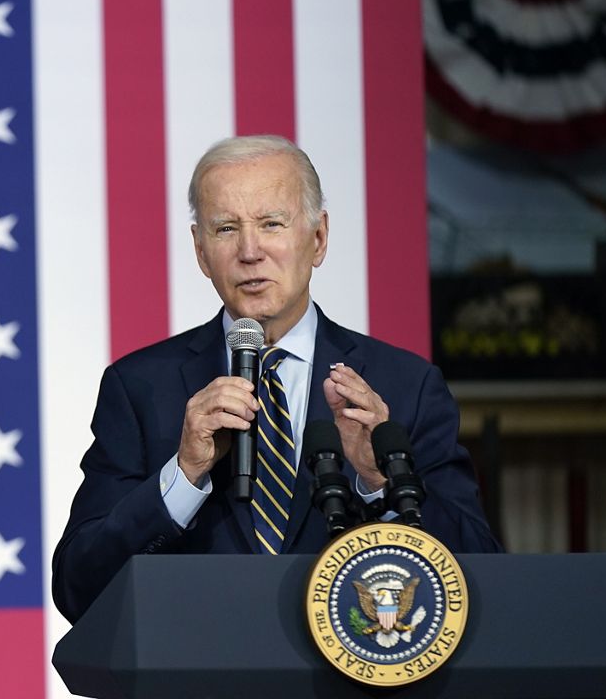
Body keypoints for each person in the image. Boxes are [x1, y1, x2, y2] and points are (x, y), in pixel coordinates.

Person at [51, 135, 501, 623]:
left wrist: (379, 483)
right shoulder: (139, 388)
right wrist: (182, 476)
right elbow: (78, 587)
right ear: (201, 252)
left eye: (271, 224)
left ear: (318, 239)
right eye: (226, 229)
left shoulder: (405, 385)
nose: (249, 251)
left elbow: (480, 572)